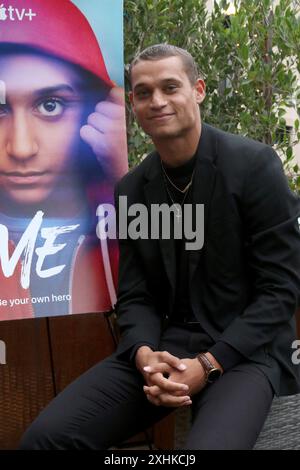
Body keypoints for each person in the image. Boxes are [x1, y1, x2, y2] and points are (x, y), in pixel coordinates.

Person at [20, 44, 300, 450]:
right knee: (45, 440)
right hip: (166, 349)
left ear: (198, 89)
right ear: (132, 103)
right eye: (144, 92)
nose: (158, 101)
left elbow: (280, 290)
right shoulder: (133, 189)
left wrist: (209, 363)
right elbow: (136, 295)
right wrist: (143, 354)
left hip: (244, 351)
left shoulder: (253, 167)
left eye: (170, 87)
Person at [0, 0, 127, 319]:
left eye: (51, 106)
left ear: (99, 109)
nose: (21, 147)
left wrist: (124, 178)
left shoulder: (118, 226)